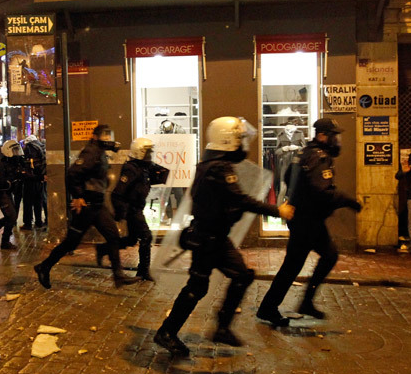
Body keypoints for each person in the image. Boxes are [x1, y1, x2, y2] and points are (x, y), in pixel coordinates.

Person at [154, 117, 294, 356]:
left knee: (241, 276)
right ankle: (168, 332)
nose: (242, 144)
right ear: (227, 140)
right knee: (198, 286)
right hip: (208, 239)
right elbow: (238, 199)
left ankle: (221, 328)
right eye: (239, 139)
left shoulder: (211, 165)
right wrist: (276, 210)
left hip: (214, 237)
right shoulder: (218, 168)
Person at [257, 118, 362, 326]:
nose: (337, 141)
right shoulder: (318, 156)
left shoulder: (302, 152)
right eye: (334, 136)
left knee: (295, 264)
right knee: (325, 257)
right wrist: (348, 201)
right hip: (308, 220)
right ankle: (296, 303)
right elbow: (322, 191)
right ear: (323, 136)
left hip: (303, 218)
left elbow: (288, 177)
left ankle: (272, 306)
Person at [34, 125, 142, 289]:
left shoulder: (99, 152)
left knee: (113, 236)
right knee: (71, 243)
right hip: (88, 205)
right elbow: (72, 173)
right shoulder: (91, 152)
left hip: (97, 205)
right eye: (105, 136)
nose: (108, 140)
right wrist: (78, 196)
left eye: (109, 136)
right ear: (95, 137)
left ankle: (118, 276)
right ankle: (44, 266)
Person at [96, 137, 169, 281]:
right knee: (146, 236)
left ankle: (104, 249)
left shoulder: (145, 166)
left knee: (131, 239)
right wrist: (121, 213)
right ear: (139, 152)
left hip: (137, 208)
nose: (150, 155)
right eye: (147, 152)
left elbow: (157, 176)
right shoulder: (131, 169)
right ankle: (143, 271)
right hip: (132, 209)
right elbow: (118, 193)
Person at [21, 135, 47, 230]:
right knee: (38, 202)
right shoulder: (41, 147)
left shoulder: (28, 148)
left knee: (28, 202)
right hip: (40, 179)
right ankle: (39, 222)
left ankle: (27, 223)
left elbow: (26, 165)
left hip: (30, 180)